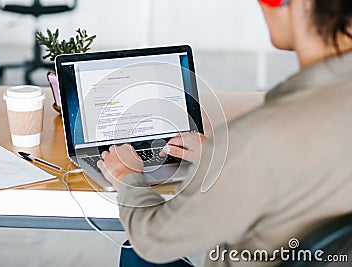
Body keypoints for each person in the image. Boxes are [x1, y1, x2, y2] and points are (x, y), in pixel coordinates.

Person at [97, 0, 352, 266]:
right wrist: (224, 158)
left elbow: (153, 239)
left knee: (136, 252)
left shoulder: (261, 137)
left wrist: (127, 176)